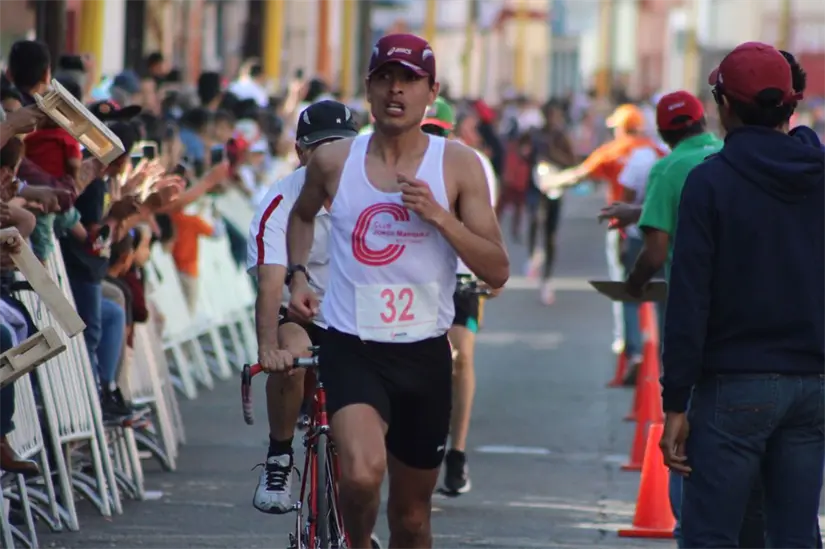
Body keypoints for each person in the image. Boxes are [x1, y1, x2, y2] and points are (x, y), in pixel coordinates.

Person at [284, 33, 509, 549]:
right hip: (352, 344)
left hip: (424, 353)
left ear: (431, 90)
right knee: (361, 476)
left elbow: (497, 270)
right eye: (385, 77)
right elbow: (301, 216)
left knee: (411, 519)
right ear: (367, 87)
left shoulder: (457, 165)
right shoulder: (334, 161)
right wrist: (298, 274)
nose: (396, 90)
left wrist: (439, 217)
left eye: (409, 80)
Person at [659, 42, 825, 548]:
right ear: (790, 105)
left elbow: (689, 302)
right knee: (796, 534)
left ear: (724, 105)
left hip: (734, 386)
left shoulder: (709, 184)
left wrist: (675, 405)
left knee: (713, 534)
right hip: (812, 387)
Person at [247, 100, 357, 513]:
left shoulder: (371, 194)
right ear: (301, 153)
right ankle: (278, 456)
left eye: (342, 147)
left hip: (356, 316)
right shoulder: (279, 201)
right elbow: (271, 283)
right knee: (292, 357)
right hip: (298, 313)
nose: (332, 157)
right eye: (322, 147)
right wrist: (265, 349)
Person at [538, 103, 665, 355]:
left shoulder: (613, 151)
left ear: (620, 128)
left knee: (627, 287)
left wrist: (550, 182)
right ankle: (663, 349)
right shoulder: (658, 151)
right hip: (660, 228)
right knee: (663, 291)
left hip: (624, 229)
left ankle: (631, 347)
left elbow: (579, 175)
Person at [420, 98, 500, 495]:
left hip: (460, 276)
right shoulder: (394, 159)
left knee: (460, 357)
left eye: (437, 130)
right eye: (426, 130)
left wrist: (491, 269)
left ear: (450, 132)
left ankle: (458, 453)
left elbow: (487, 231)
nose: (431, 138)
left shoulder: (474, 164)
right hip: (411, 277)